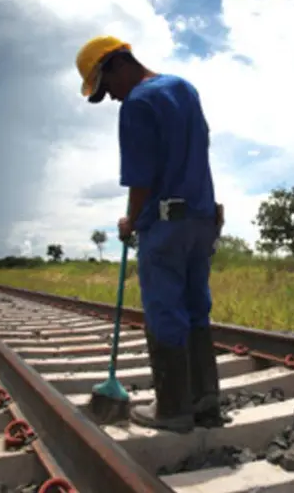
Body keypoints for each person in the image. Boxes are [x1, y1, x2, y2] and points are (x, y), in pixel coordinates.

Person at [75, 36, 224, 433]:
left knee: (164, 309)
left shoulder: (138, 103)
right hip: (201, 219)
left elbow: (140, 178)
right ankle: (206, 401)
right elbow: (199, 150)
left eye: (105, 88)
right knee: (196, 306)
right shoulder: (184, 88)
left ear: (116, 65)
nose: (111, 98)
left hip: (165, 224)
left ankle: (173, 409)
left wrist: (130, 219)